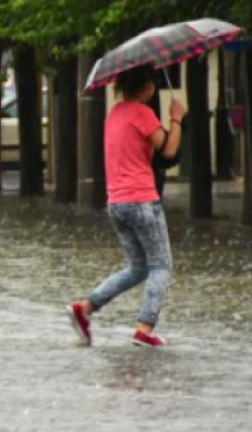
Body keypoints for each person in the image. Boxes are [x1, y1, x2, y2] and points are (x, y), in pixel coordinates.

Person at [66, 64, 186, 348]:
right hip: (142, 199)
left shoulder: (115, 114)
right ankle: (145, 329)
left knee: (137, 267)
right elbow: (168, 150)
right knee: (161, 266)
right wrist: (177, 119)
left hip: (117, 203)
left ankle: (85, 308)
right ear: (145, 86)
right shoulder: (143, 113)